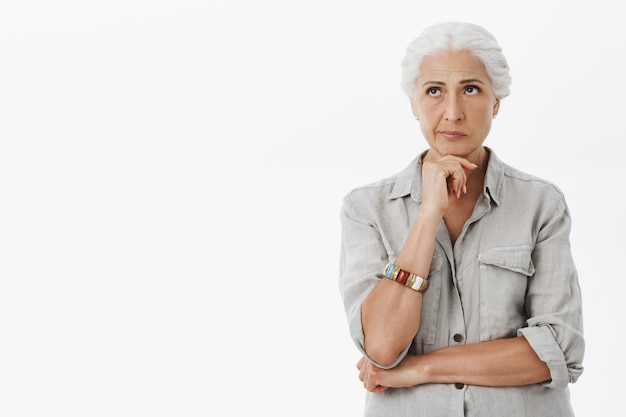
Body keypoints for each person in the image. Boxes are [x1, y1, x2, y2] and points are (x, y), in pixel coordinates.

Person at [338, 22, 584, 417]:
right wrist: (426, 215)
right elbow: (382, 347)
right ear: (414, 104)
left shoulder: (542, 204)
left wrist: (419, 369)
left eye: (471, 89)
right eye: (434, 91)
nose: (452, 113)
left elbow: (556, 351)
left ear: (496, 102)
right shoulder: (366, 209)